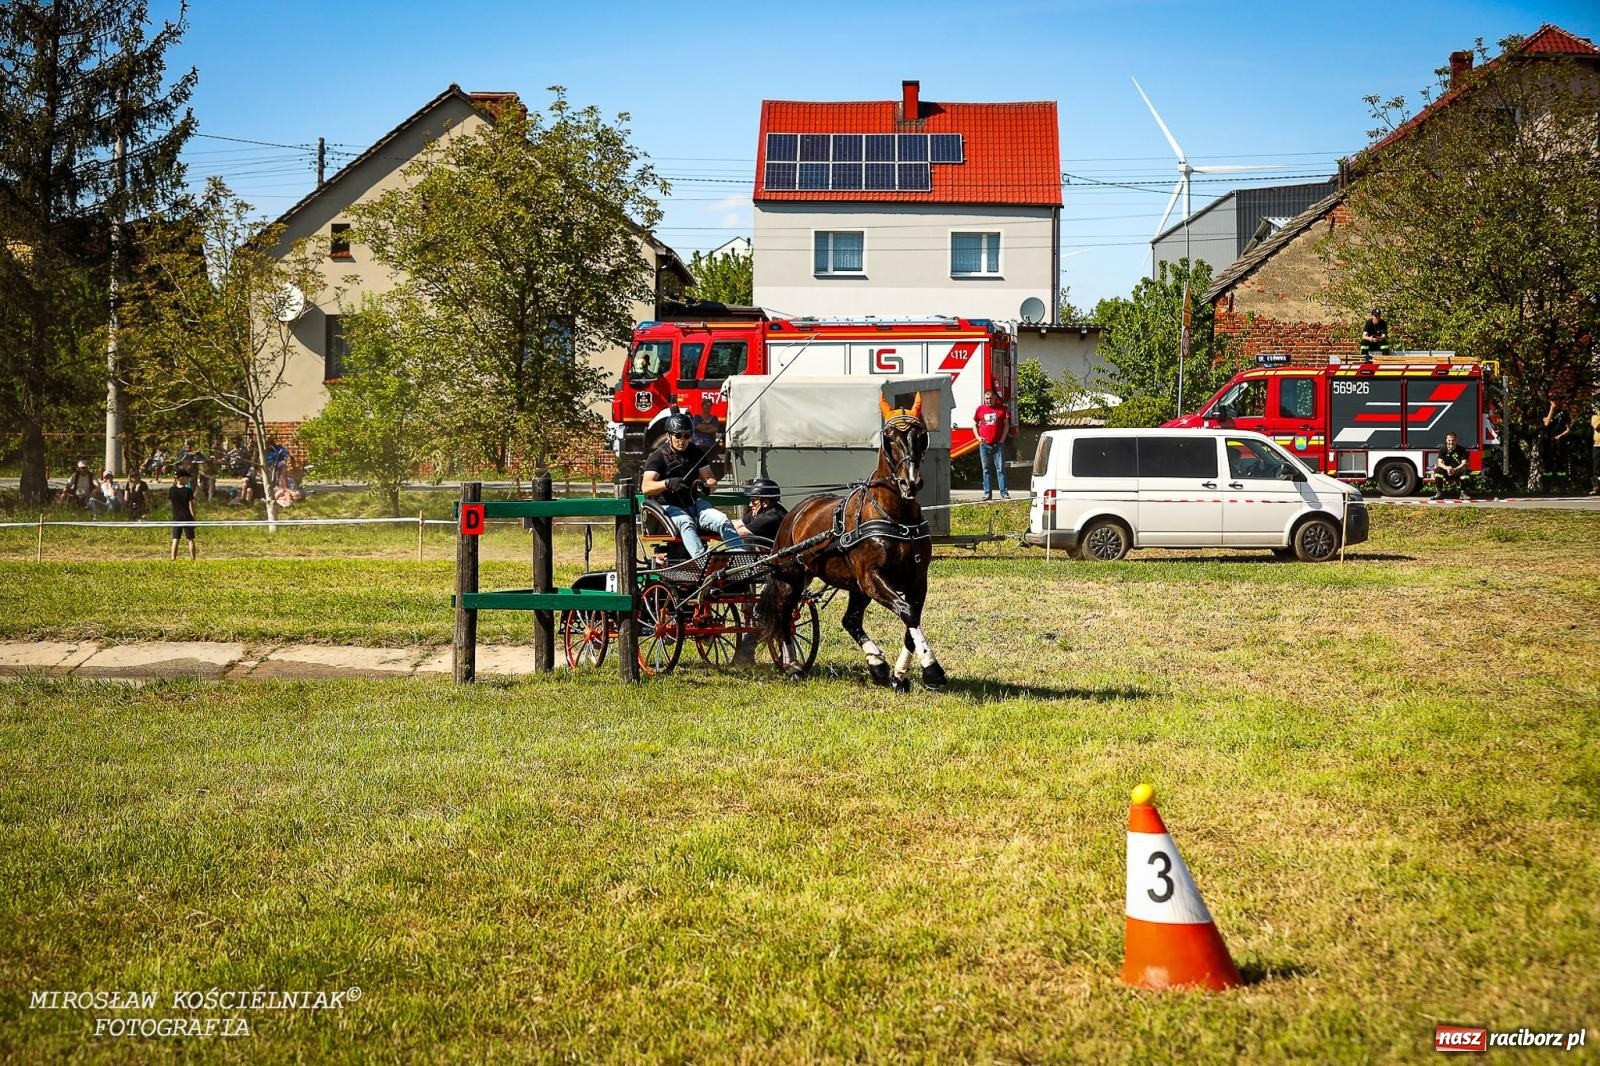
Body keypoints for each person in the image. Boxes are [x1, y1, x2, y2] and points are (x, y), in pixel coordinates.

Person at [641, 412, 744, 557]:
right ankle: (702, 561)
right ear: (669, 435)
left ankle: (741, 558)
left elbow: (711, 480)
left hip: (694, 504)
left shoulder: (696, 453)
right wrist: (668, 483)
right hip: (667, 508)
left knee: (722, 520)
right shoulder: (658, 456)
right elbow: (646, 487)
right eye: (678, 435)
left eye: (686, 436)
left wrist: (708, 486)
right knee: (686, 522)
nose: (682, 440)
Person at [974, 388, 1011, 501]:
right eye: (986, 399)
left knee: (1000, 469)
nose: (988, 401)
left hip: (997, 445)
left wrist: (1002, 440)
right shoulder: (980, 409)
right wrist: (978, 438)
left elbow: (1006, 425)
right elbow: (974, 424)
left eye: (990, 399)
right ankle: (987, 494)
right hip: (984, 444)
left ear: (995, 398)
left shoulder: (1002, 409)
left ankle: (1004, 493)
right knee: (986, 469)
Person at [733, 477, 788, 546]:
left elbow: (740, 533)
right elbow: (736, 525)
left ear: (765, 502)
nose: (750, 504)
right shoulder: (759, 510)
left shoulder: (771, 516)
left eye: (753, 501)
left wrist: (721, 533)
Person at [169, 467, 198, 561]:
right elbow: (191, 505)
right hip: (187, 516)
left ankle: (173, 558)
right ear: (180, 478)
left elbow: (171, 503)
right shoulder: (187, 490)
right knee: (190, 539)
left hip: (176, 517)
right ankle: (193, 559)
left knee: (175, 538)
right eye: (186, 478)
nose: (188, 479)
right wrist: (194, 517)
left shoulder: (171, 490)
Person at [1429, 432, 1470, 497]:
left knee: (1465, 470)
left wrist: (1456, 469)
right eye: (1449, 440)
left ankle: (1463, 493)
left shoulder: (1461, 449)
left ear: (1456, 440)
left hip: (1457, 471)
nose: (1451, 442)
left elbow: (1464, 463)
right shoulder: (1443, 449)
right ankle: (1439, 492)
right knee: (1438, 470)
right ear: (1446, 440)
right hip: (1446, 471)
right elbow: (1439, 463)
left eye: (1453, 440)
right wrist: (1447, 468)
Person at [1590, 403, 1600, 496]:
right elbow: (1597, 427)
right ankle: (1597, 487)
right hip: (1598, 446)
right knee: (1597, 467)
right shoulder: (1595, 417)